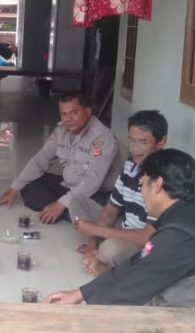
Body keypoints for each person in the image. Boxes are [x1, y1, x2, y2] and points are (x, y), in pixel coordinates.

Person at [45, 149, 195, 308]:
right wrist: (81, 294)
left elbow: (128, 293)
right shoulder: (185, 216)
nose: (141, 191)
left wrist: (77, 315)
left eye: (142, 184)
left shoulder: (179, 238)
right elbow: (138, 263)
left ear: (157, 184)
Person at [0, 92, 122, 224]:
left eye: (73, 113)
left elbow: (92, 181)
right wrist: (14, 188)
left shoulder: (102, 137)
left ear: (87, 112)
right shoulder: (61, 131)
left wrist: (60, 204)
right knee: (30, 186)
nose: (68, 119)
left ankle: (69, 211)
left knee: (81, 206)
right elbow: (40, 159)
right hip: (69, 186)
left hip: (98, 193)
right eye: (63, 114)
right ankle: (69, 212)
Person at [72, 110, 168, 277]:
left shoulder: (164, 177)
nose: (135, 148)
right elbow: (110, 210)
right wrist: (93, 243)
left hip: (143, 241)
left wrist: (96, 231)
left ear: (161, 142)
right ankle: (97, 250)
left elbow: (146, 237)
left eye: (143, 142)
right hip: (123, 227)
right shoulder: (130, 165)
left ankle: (108, 265)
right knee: (77, 202)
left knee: (110, 250)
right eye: (131, 140)